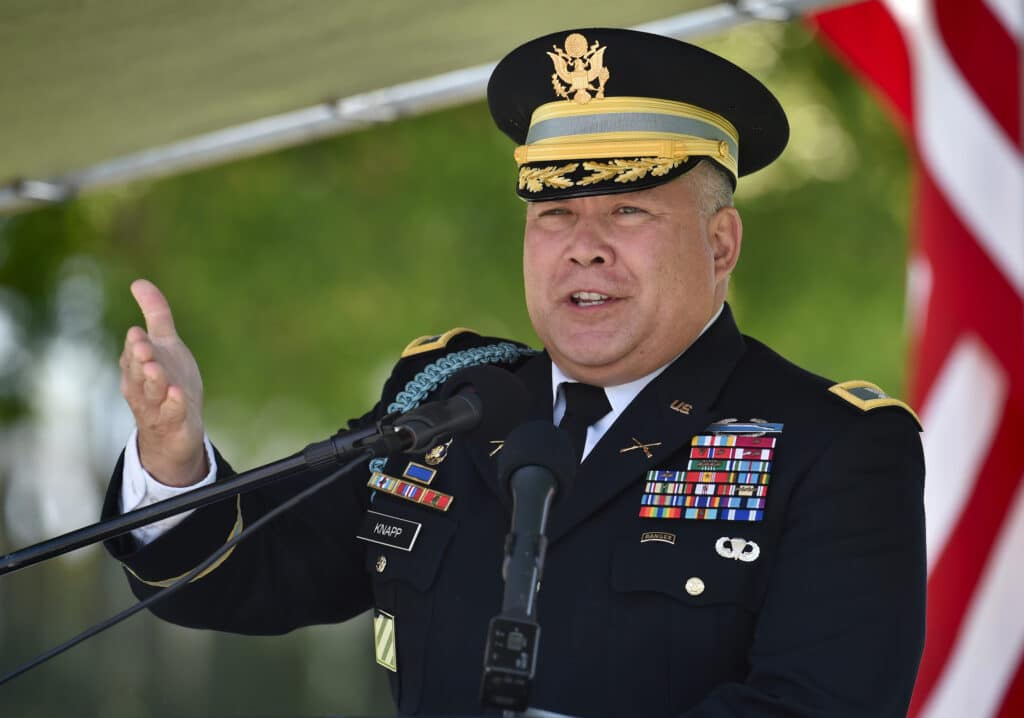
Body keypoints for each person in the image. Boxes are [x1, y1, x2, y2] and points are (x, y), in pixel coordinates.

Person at [103, 27, 926, 717]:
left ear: (720, 245)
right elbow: (251, 576)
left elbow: (819, 704)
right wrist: (173, 456)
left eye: (628, 211)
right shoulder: (453, 396)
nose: (584, 244)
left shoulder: (835, 446)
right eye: (555, 211)